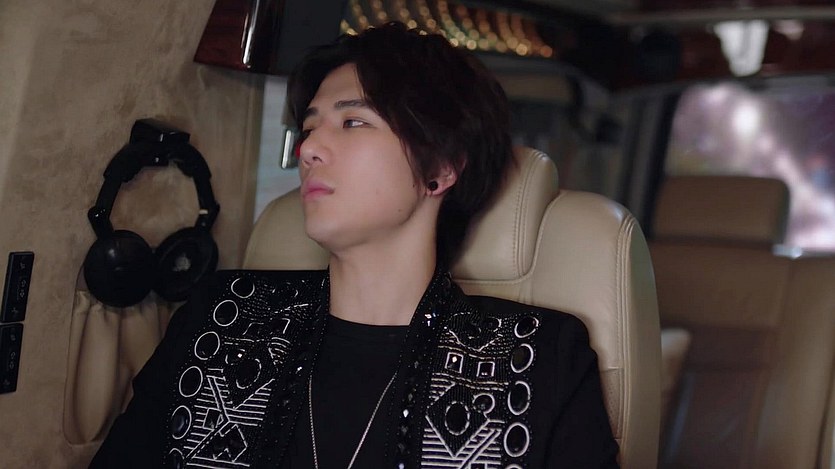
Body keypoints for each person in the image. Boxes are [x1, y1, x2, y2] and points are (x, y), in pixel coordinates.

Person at [90, 21, 618, 469]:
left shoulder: (537, 359)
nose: (309, 148)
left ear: (440, 169)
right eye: (309, 127)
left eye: (353, 121)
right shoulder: (219, 318)